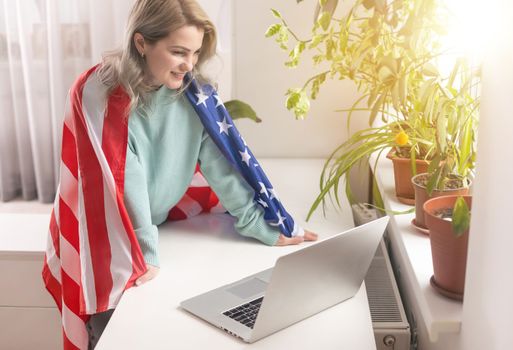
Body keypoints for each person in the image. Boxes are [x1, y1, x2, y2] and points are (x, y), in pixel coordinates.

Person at [44, 1, 317, 349]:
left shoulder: (193, 94)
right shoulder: (101, 94)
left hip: (155, 226)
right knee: (114, 330)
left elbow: (221, 164)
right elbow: (123, 179)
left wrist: (263, 227)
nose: (189, 64)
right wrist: (145, 254)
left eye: (196, 52)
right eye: (178, 52)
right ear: (141, 43)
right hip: (109, 238)